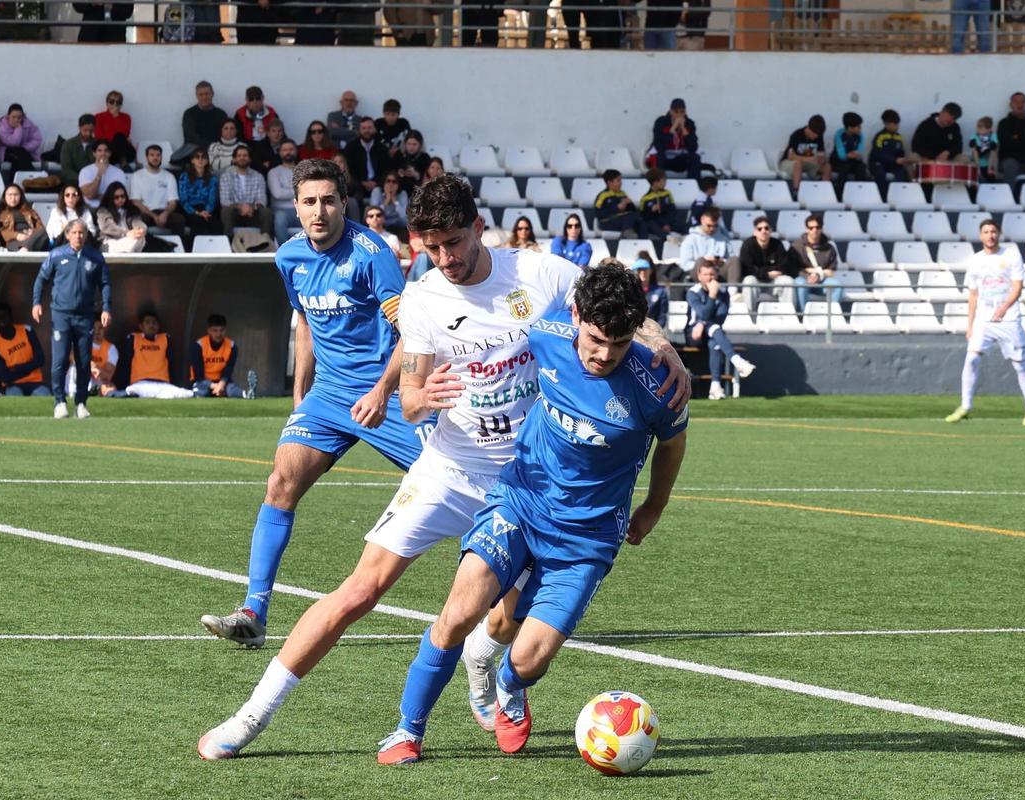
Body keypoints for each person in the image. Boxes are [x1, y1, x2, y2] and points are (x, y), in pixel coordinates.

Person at [196, 178, 688, 761]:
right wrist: (423, 396)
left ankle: (485, 665)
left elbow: (609, 294)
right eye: (432, 247)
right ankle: (252, 715)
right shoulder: (424, 297)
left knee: (506, 628)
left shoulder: (539, 274)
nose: (446, 258)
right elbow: (408, 397)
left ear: (479, 228)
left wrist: (663, 343)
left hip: (532, 484)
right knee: (360, 589)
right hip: (452, 467)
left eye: (454, 242)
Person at [369, 263, 689, 764]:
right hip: (519, 501)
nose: (604, 354)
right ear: (576, 317)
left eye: (620, 342)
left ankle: (511, 687)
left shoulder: (657, 386)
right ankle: (407, 730)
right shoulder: (544, 334)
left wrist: (654, 506)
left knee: (528, 655)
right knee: (458, 614)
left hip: (587, 537)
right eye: (596, 338)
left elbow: (672, 446)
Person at [197, 158, 433, 650]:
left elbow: (411, 334)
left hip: (382, 393)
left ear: (343, 203)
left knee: (459, 488)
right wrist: (300, 393)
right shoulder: (289, 258)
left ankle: (506, 600)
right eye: (309, 202)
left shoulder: (372, 256)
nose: (319, 211)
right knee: (281, 481)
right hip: (327, 395)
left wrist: (383, 391)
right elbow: (304, 322)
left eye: (328, 200)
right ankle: (253, 612)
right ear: (296, 207)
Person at [945, 219, 1025, 427]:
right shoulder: (976, 261)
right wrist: (970, 324)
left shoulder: (1011, 255)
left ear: (999, 234)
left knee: (1020, 364)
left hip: (1009, 319)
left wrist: (1003, 308)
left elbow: (1017, 287)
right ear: (980, 236)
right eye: (986, 232)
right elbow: (973, 295)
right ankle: (965, 406)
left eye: (993, 231)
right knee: (971, 359)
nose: (990, 235)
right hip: (984, 320)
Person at [32, 219, 112, 419]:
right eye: (75, 232)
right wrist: (36, 302)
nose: (79, 236)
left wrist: (106, 308)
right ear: (67, 235)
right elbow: (41, 279)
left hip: (85, 316)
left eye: (82, 232)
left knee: (84, 361)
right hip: (61, 315)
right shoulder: (57, 255)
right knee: (59, 360)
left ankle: (81, 403)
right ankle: (59, 402)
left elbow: (105, 284)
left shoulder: (95, 257)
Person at [686, 258, 756, 400]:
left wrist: (703, 323)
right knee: (714, 330)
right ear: (699, 276)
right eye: (706, 275)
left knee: (715, 343)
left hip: (713, 333)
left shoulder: (723, 293)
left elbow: (721, 317)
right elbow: (703, 313)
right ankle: (737, 361)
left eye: (712, 274)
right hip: (694, 334)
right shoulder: (692, 292)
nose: (710, 278)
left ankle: (715, 387)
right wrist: (712, 295)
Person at [116, 312, 194, 399]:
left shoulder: (165, 339)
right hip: (141, 383)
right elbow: (125, 364)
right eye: (148, 322)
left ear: (158, 326)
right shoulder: (134, 339)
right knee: (131, 392)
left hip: (162, 384)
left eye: (154, 322)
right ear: (141, 326)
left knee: (187, 394)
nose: (151, 325)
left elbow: (173, 364)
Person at [0, 303, 49, 397]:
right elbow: (4, 377)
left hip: (34, 381)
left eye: (5, 316)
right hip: (13, 385)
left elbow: (40, 359)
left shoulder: (27, 330)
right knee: (15, 400)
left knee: (46, 397)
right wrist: (29, 368)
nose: (2, 320)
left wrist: (17, 368)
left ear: (11, 317)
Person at [789, 214, 843, 314]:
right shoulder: (796, 246)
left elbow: (831, 270)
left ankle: (831, 317)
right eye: (811, 228)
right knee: (801, 285)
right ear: (806, 229)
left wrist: (817, 275)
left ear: (821, 229)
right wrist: (807, 276)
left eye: (818, 227)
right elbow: (791, 268)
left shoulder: (829, 248)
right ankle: (803, 316)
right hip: (802, 279)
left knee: (837, 286)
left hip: (822, 281)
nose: (814, 230)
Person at [738, 215, 795, 311]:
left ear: (771, 231)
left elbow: (784, 265)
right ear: (755, 232)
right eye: (759, 229)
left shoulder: (777, 244)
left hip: (773, 281)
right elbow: (748, 268)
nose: (763, 231)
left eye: (766, 228)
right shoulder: (748, 245)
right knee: (749, 281)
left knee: (788, 281)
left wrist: (764, 272)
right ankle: (750, 317)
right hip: (756, 280)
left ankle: (788, 316)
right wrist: (766, 273)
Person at [219, 145, 273, 238]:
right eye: (239, 156)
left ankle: (265, 242)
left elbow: (262, 199)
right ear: (234, 159)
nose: (242, 158)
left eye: (245, 155)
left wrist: (251, 208)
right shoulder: (226, 176)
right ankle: (228, 242)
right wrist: (241, 207)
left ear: (250, 159)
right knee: (226, 211)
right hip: (234, 213)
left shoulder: (258, 176)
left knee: (266, 212)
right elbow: (225, 201)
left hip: (253, 213)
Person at [130, 144, 184, 235]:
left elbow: (173, 203)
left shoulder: (169, 177)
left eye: (158, 155)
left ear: (161, 157)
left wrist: (165, 214)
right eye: (152, 155)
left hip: (164, 212)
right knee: (138, 220)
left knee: (180, 220)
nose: (155, 158)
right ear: (147, 157)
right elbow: (136, 202)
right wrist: (154, 216)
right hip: (146, 212)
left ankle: (176, 247)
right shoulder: (137, 176)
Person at [174, 81, 229, 165]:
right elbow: (190, 137)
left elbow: (226, 136)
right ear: (196, 96)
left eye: (207, 94)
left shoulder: (221, 114)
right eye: (201, 94)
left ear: (212, 94)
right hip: (194, 154)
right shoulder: (189, 113)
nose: (204, 97)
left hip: (216, 154)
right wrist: (211, 146)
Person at [190, 314, 243, 398]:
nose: (218, 334)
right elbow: (198, 375)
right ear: (208, 331)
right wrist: (215, 386)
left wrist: (221, 385)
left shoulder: (232, 346)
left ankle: (247, 394)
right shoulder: (199, 345)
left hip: (222, 382)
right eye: (215, 330)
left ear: (225, 330)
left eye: (222, 330)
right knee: (201, 393)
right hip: (203, 381)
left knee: (232, 391)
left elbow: (228, 371)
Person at [66, 317, 117, 399]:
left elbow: (108, 375)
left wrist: (98, 370)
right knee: (74, 368)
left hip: (97, 380)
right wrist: (90, 366)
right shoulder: (83, 341)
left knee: (111, 388)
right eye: (94, 328)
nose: (97, 331)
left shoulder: (111, 348)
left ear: (105, 328)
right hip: (80, 376)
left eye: (100, 328)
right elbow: (72, 357)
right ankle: (74, 394)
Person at [344, 117, 393, 201]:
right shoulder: (351, 147)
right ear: (359, 130)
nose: (366, 131)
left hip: (379, 185)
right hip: (358, 185)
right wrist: (363, 183)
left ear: (374, 129)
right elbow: (349, 170)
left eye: (369, 128)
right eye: (363, 128)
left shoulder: (382, 148)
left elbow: (386, 170)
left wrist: (376, 183)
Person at [650, 98, 700, 179]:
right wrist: (673, 129)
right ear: (670, 111)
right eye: (676, 112)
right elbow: (659, 147)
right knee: (659, 157)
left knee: (695, 158)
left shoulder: (689, 124)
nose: (679, 115)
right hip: (665, 159)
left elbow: (693, 148)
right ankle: (658, 186)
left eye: (682, 112)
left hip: (680, 159)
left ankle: (693, 185)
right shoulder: (661, 122)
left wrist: (684, 129)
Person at [179, 148, 221, 241]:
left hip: (206, 210)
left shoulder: (212, 178)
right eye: (197, 157)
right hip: (189, 210)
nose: (200, 160)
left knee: (215, 223)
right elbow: (183, 200)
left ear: (207, 161)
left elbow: (212, 199)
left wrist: (206, 212)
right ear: (192, 160)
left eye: (203, 157)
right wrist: (197, 213)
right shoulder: (184, 176)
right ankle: (194, 251)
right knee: (198, 221)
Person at [779, 114, 831, 191]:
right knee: (798, 163)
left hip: (809, 163)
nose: (815, 137)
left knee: (827, 166)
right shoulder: (797, 135)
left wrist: (821, 159)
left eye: (817, 135)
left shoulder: (819, 137)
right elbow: (790, 156)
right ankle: (796, 191)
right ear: (809, 128)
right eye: (814, 134)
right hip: (790, 162)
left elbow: (821, 153)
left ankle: (824, 191)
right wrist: (808, 159)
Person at [678, 206, 733, 278]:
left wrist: (721, 262)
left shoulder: (723, 238)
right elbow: (685, 264)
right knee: (701, 261)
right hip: (698, 275)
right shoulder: (690, 239)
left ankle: (733, 288)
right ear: (702, 220)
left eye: (715, 226)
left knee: (734, 260)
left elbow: (731, 259)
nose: (712, 229)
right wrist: (706, 262)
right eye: (709, 225)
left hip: (718, 273)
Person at [869, 109, 914, 192]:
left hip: (893, 164)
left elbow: (901, 152)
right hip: (879, 163)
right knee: (880, 173)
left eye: (898, 124)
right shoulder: (880, 136)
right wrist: (895, 160)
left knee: (902, 172)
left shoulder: (898, 137)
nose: (897, 127)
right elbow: (878, 153)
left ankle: (900, 194)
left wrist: (904, 159)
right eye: (895, 124)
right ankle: (883, 198)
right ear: (887, 124)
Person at [96, 182, 148, 253]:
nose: (120, 199)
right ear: (110, 197)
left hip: (128, 240)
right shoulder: (103, 211)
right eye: (116, 197)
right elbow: (108, 227)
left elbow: (137, 222)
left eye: (122, 196)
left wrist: (141, 230)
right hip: (108, 242)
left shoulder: (131, 210)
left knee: (140, 238)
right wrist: (126, 233)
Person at [0, 183, 49, 252]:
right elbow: (1, 232)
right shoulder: (1, 214)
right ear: (4, 197)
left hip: (31, 238)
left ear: (20, 196)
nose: (13, 198)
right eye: (10, 195)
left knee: (44, 231)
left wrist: (32, 232)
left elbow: (40, 227)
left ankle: (25, 249)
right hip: (14, 241)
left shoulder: (30, 211)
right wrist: (17, 235)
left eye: (16, 195)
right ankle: (25, 249)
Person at [78, 140, 128, 209]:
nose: (103, 153)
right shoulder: (85, 171)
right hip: (91, 208)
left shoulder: (119, 172)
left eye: (106, 151)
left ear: (110, 154)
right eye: (99, 150)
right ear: (94, 154)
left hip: (112, 208)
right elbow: (89, 195)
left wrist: (98, 196)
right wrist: (99, 174)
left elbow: (120, 196)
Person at [0, 103, 43, 174]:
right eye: (13, 117)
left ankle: (15, 181)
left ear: (23, 116)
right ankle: (32, 176)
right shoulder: (3, 126)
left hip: (25, 152)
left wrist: (25, 148)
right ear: (8, 116)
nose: (16, 120)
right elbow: (13, 143)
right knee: (18, 155)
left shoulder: (29, 124)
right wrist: (18, 128)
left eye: (19, 117)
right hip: (7, 152)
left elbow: (37, 139)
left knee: (17, 160)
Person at [593, 169, 642, 237]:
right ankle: (627, 234)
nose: (621, 183)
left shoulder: (622, 193)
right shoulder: (603, 195)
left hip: (622, 221)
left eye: (621, 180)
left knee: (641, 219)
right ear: (610, 182)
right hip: (607, 222)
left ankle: (643, 240)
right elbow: (598, 213)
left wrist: (630, 203)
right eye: (618, 181)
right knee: (631, 216)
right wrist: (617, 208)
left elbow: (633, 210)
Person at [93, 90, 135, 169]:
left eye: (118, 102)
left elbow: (125, 134)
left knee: (119, 137)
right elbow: (99, 136)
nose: (115, 104)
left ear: (121, 105)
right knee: (115, 139)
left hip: (124, 151)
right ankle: (123, 164)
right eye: (112, 101)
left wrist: (117, 117)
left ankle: (124, 163)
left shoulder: (126, 117)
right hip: (107, 151)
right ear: (107, 103)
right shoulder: (98, 117)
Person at [268, 139, 299, 244]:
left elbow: (309, 191)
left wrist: (286, 191)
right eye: (285, 150)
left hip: (302, 209)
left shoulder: (304, 171)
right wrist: (298, 191)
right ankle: (284, 252)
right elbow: (278, 194)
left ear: (296, 151)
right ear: (280, 152)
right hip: (281, 211)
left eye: (291, 149)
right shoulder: (273, 172)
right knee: (280, 217)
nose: (288, 152)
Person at [830, 111, 869, 189]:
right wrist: (847, 156)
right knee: (844, 168)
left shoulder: (860, 135)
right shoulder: (839, 134)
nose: (860, 128)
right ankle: (840, 194)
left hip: (853, 160)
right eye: (858, 126)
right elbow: (841, 153)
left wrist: (856, 154)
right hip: (839, 160)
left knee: (861, 167)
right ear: (849, 127)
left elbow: (860, 150)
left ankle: (860, 192)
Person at [639, 168, 678, 247]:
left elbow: (673, 210)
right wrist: (651, 210)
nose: (665, 182)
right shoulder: (645, 198)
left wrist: (667, 224)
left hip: (669, 222)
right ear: (655, 182)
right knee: (649, 223)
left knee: (683, 226)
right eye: (663, 180)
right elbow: (643, 217)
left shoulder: (667, 193)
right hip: (656, 225)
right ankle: (666, 237)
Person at [59, 114, 97, 186]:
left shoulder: (97, 145)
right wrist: (82, 179)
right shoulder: (68, 145)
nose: (88, 134)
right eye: (85, 130)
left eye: (91, 131)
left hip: (93, 182)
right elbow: (66, 170)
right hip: (73, 182)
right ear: (79, 127)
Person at [634, 256, 669, 326]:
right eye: (640, 269)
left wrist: (655, 331)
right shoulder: (632, 291)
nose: (642, 272)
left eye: (645, 269)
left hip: (653, 330)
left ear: (650, 271)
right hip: (635, 331)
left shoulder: (661, 292)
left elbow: (662, 316)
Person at [970, 116, 999, 182]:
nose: (978, 130)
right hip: (977, 161)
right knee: (977, 178)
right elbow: (975, 152)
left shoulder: (993, 136)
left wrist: (989, 168)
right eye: (977, 127)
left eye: (981, 128)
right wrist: (978, 168)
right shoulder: (974, 137)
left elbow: (993, 153)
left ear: (989, 129)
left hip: (989, 162)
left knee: (991, 177)